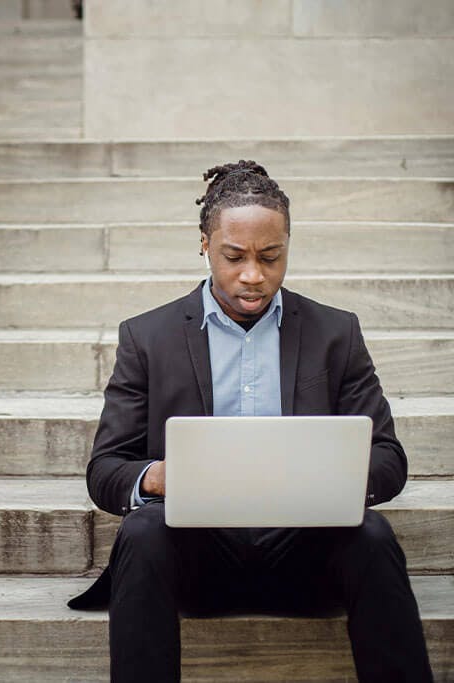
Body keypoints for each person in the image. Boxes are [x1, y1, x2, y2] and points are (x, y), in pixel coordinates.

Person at [68, 160, 434, 682]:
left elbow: (389, 460)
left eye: (271, 256)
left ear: (288, 244)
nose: (253, 275)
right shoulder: (147, 338)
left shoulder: (337, 333)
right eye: (234, 256)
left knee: (372, 535)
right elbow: (106, 471)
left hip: (308, 558)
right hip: (195, 564)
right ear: (204, 243)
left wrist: (331, 472)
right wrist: (160, 477)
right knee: (144, 529)